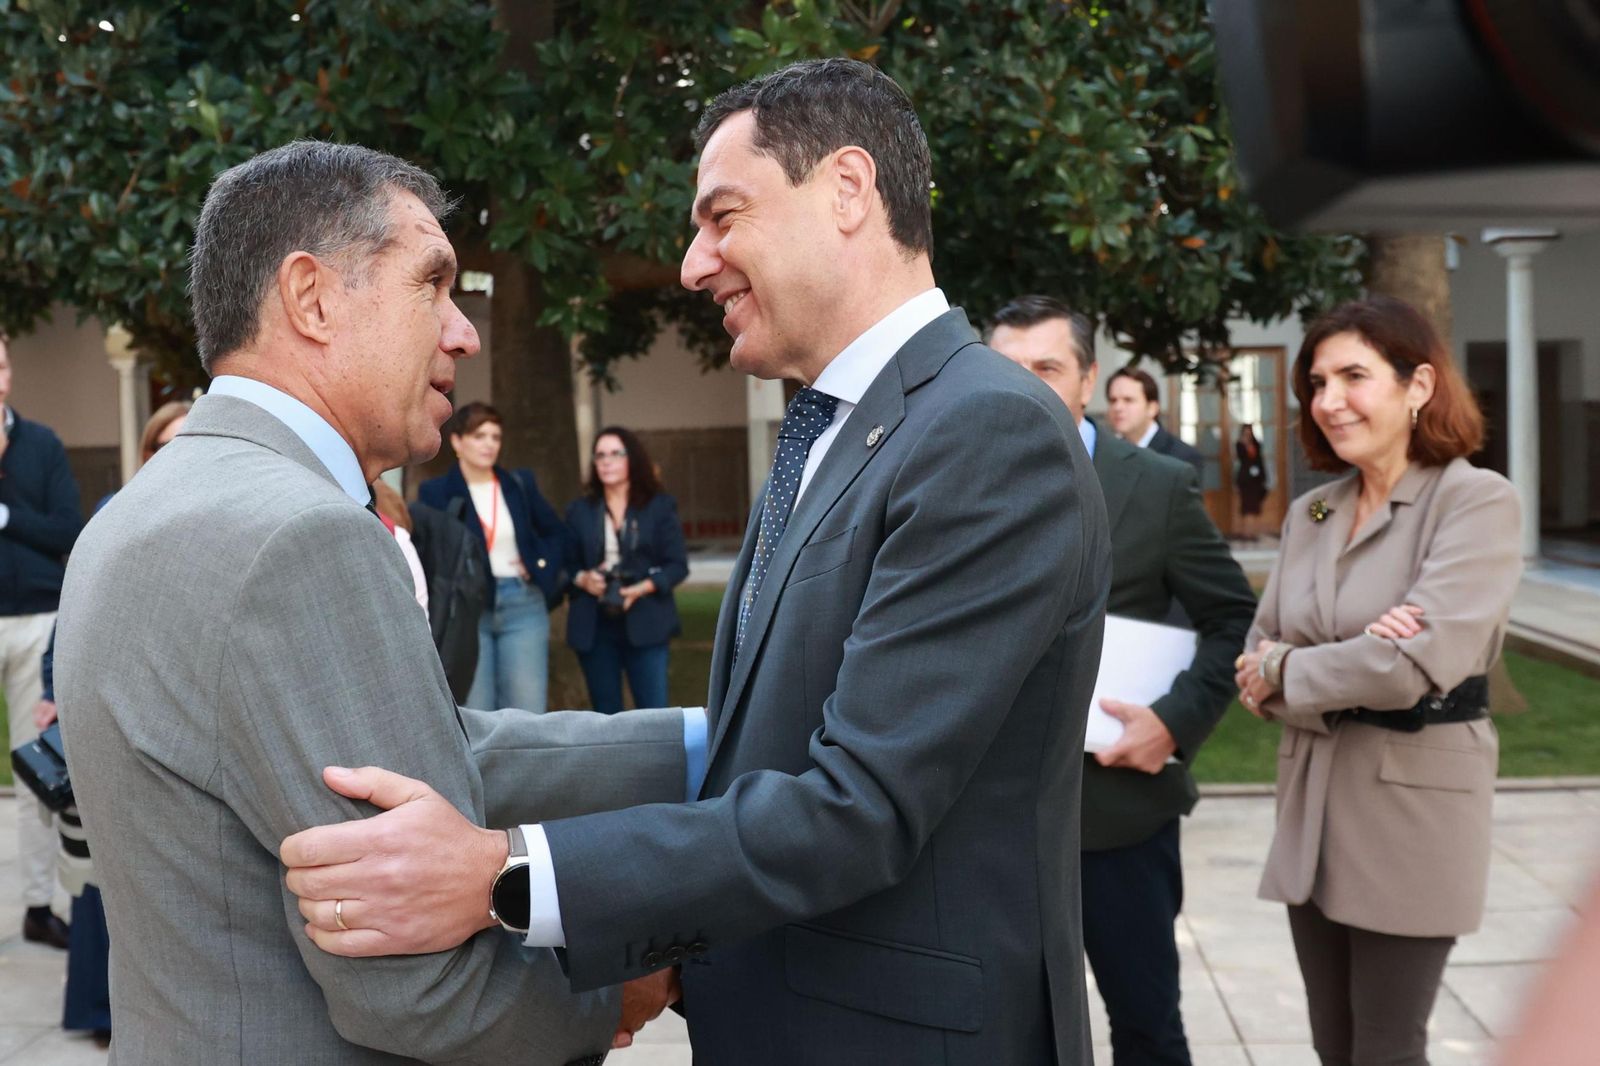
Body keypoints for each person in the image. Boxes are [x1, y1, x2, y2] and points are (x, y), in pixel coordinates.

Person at [282, 59, 1112, 1064]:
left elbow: (856, 808)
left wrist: (505, 874)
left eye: (722, 217)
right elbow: (758, 744)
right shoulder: (832, 429)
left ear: (847, 191)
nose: (690, 263)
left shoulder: (984, 431)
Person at [54, 140, 702, 1064]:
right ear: (312, 297)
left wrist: (697, 744)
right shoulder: (298, 536)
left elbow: (429, 750)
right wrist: (628, 985)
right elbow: (421, 993)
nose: (463, 331)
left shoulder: (143, 507)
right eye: (432, 284)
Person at [1235, 295, 1520, 1066]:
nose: (1329, 402)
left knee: (1388, 1050)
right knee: (1335, 1047)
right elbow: (1253, 653)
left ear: (1418, 385)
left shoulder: (1474, 501)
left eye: (1353, 377)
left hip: (1412, 816)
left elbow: (1411, 668)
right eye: (1317, 383)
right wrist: (1333, 655)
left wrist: (1289, 668)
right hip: (1313, 810)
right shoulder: (1313, 513)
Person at [990, 295, 1256, 1066]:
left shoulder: (1159, 486)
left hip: (1118, 819)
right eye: (1011, 369)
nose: (1032, 386)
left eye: (1049, 367)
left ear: (1087, 379)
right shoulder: (953, 478)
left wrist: (1174, 722)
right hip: (990, 823)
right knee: (1010, 1034)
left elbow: (1231, 617)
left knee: (1144, 1025)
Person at [34, 399, 190, 1048]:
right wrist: (53, 685)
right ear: (147, 453)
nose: (177, 458)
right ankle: (98, 1009)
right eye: (165, 445)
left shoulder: (215, 516)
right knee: (99, 867)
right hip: (111, 711)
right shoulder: (113, 514)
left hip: (172, 716)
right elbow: (76, 609)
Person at [0, 332, 84, 951]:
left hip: (36, 621)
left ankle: (37, 903)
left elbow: (66, 530)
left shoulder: (43, 445)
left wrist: (6, 516)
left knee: (34, 770)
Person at [418, 401, 568, 712]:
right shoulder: (437, 492)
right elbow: (433, 552)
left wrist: (540, 565)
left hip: (523, 604)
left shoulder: (518, 484)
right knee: (477, 712)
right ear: (457, 441)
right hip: (470, 610)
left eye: (495, 437)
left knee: (526, 711)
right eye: (479, 436)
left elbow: (557, 533)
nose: (489, 444)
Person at [565, 426, 688, 715]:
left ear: (631, 458)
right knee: (605, 716)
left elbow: (677, 565)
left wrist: (642, 587)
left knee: (654, 714)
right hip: (594, 626)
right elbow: (566, 563)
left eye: (615, 454)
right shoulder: (580, 510)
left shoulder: (659, 506)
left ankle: (657, 763)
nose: (606, 461)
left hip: (647, 620)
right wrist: (583, 579)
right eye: (600, 456)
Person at [1106, 365, 1205, 477]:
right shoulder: (1107, 453)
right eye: (1113, 400)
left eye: (1128, 400)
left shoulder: (1182, 457)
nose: (1118, 407)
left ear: (1152, 408)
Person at [1234, 423, 1268, 540]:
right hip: (1245, 480)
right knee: (1245, 507)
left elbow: (1259, 460)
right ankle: (1245, 532)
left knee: (1254, 508)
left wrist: (1263, 477)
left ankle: (1252, 532)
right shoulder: (1240, 444)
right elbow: (1241, 457)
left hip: (1255, 481)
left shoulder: (1256, 444)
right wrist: (1245, 443)